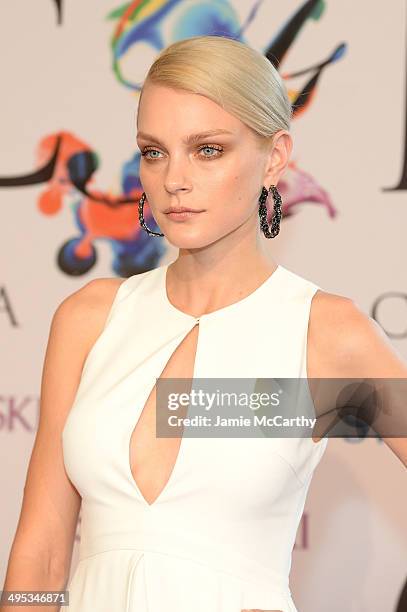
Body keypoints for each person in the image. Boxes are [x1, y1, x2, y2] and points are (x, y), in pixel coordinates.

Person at [2, 35, 407, 612]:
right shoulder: (89, 319)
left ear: (275, 156)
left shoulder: (324, 333)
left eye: (208, 150)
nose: (174, 180)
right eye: (154, 151)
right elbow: (40, 552)